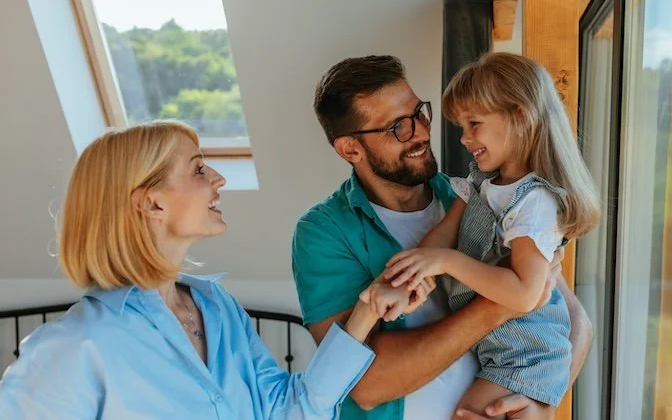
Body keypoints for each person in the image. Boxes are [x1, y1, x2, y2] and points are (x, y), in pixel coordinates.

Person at [0, 121, 393, 420]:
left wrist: (367, 311)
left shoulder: (217, 307)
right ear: (152, 203)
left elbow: (288, 410)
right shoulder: (71, 347)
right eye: (199, 169)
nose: (218, 180)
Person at [292, 55, 594, 420]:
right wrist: (498, 307)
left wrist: (543, 402)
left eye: (420, 113)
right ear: (350, 149)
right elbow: (365, 386)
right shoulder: (324, 233)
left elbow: (573, 320)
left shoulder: (480, 196)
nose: (421, 132)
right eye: (398, 126)